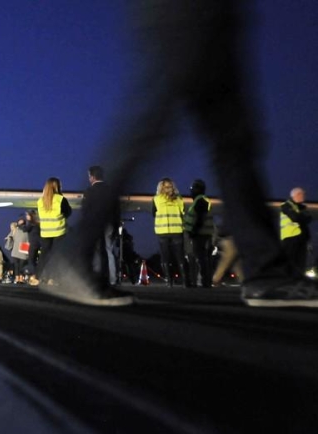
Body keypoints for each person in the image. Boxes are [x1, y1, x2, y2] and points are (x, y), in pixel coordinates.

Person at [40, 0, 318, 307]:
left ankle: (267, 272)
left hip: (210, 13)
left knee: (232, 141)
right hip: (188, 11)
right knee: (161, 121)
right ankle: (75, 254)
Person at [37, 177, 72, 284]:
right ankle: (53, 278)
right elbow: (68, 213)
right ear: (57, 186)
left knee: (44, 255)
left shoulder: (40, 201)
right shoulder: (60, 199)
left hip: (45, 232)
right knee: (56, 256)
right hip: (58, 231)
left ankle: (39, 276)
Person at [153, 178, 187, 287]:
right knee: (180, 256)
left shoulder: (156, 199)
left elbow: (154, 213)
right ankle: (185, 282)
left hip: (162, 231)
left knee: (165, 256)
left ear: (161, 188)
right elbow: (183, 213)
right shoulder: (179, 199)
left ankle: (169, 281)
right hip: (177, 230)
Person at [183, 179, 215, 287]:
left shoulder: (200, 201)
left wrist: (193, 231)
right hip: (204, 233)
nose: (191, 192)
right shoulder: (202, 200)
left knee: (200, 258)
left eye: (192, 189)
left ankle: (204, 281)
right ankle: (205, 281)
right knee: (203, 257)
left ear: (197, 189)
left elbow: (200, 218)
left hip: (200, 234)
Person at [280, 187, 312, 276]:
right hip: (290, 238)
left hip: (301, 239)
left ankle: (297, 282)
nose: (304, 196)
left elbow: (309, 218)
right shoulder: (286, 205)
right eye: (302, 194)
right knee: (291, 262)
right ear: (297, 195)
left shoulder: (300, 207)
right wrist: (302, 217)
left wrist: (301, 217)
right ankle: (286, 281)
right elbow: (295, 218)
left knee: (301, 264)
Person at [20, 210, 41, 284]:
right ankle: (37, 276)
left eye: (27, 215)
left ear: (31, 216)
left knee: (31, 261)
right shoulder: (38, 223)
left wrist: (21, 224)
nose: (26, 217)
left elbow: (25, 229)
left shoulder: (31, 223)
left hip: (33, 244)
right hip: (39, 243)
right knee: (36, 260)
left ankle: (34, 277)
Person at [6, 218, 29, 283]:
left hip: (23, 248)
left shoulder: (26, 230)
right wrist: (8, 238)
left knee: (21, 265)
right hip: (17, 250)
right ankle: (17, 278)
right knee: (17, 265)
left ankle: (20, 278)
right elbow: (10, 236)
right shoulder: (16, 230)